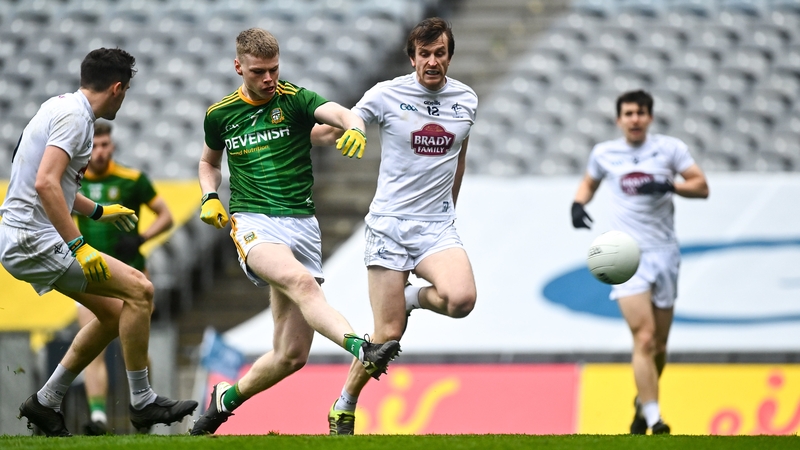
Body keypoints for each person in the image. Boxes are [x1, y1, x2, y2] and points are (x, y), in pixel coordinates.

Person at [189, 28, 402, 436]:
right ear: (239, 67)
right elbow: (208, 163)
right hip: (253, 222)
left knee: (290, 355)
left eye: (273, 69)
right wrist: (209, 196)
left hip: (302, 225)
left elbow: (338, 114)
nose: (268, 78)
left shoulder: (294, 99)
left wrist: (354, 125)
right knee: (302, 283)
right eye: (258, 72)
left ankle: (223, 400)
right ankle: (364, 348)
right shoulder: (220, 115)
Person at [0, 48, 197, 437]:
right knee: (141, 290)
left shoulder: (63, 107)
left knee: (112, 314)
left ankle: (45, 401)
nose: (124, 100)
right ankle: (142, 402)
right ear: (117, 88)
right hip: (31, 239)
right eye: (126, 92)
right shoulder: (76, 119)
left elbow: (55, 183)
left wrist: (99, 212)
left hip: (22, 236)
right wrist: (80, 246)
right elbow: (45, 184)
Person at [311, 17, 478, 435]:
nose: (433, 62)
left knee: (461, 299)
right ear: (412, 57)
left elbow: (458, 155)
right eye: (425, 54)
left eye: (440, 53)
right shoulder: (387, 93)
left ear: (449, 56)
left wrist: (450, 208)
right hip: (390, 225)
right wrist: (332, 133)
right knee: (387, 336)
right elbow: (350, 121)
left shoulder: (467, 100)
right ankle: (345, 403)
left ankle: (411, 297)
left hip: (437, 225)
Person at [570, 89, 709, 435]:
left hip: (664, 252)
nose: (635, 119)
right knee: (644, 338)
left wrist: (670, 185)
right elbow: (589, 181)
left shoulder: (670, 150)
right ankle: (654, 418)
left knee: (660, 345)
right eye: (629, 113)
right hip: (625, 254)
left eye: (641, 113)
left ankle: (641, 403)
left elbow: (702, 186)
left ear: (650, 118)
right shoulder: (605, 153)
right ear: (619, 119)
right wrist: (578, 204)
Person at [75, 120, 174, 435]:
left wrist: (142, 238)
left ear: (112, 146)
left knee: (138, 352)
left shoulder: (133, 180)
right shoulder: (73, 183)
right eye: (94, 146)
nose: (100, 152)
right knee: (93, 349)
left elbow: (166, 215)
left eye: (105, 145)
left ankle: (144, 408)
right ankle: (99, 418)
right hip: (92, 277)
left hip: (132, 278)